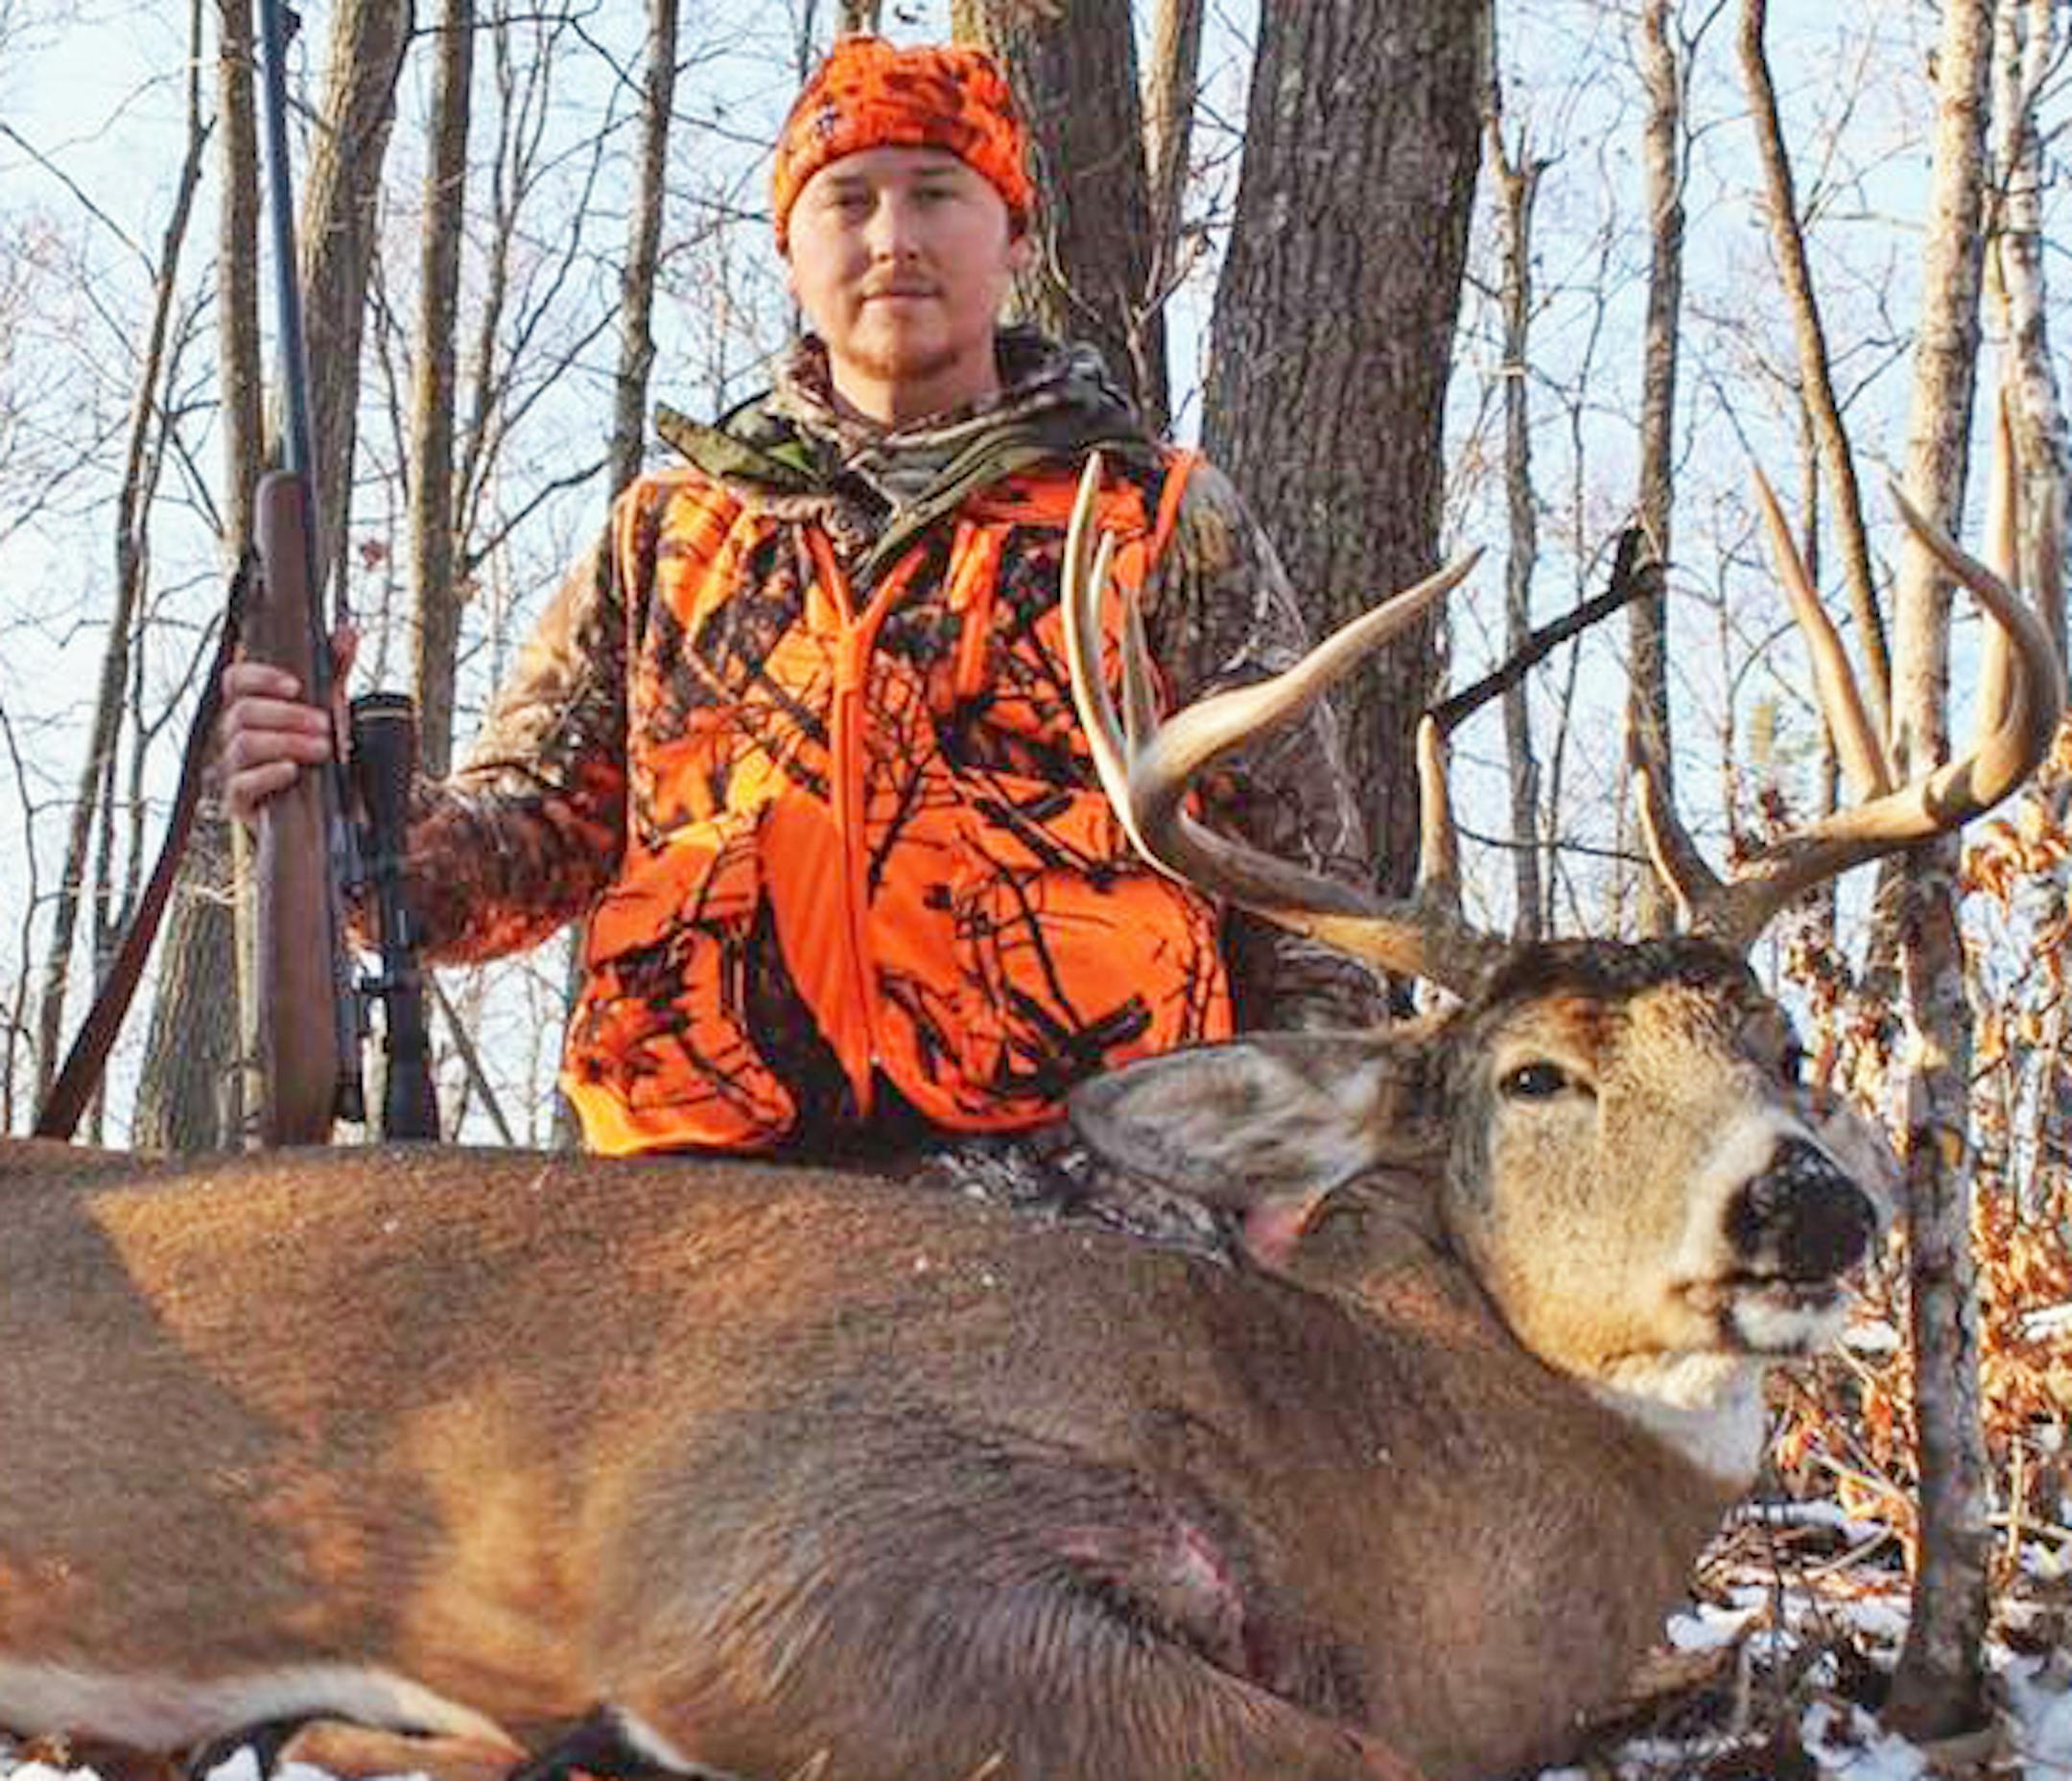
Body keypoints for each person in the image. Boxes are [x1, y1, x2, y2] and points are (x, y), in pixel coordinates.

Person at [221, 35, 1380, 1160]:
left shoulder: (1151, 515)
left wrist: (1314, 1172)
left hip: (1085, 1175)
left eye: (936, 194)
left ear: (1015, 238)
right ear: (790, 252)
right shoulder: (669, 535)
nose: (893, 238)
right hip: (708, 1181)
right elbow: (520, 851)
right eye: (848, 201)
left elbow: (1300, 893)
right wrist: (345, 808)